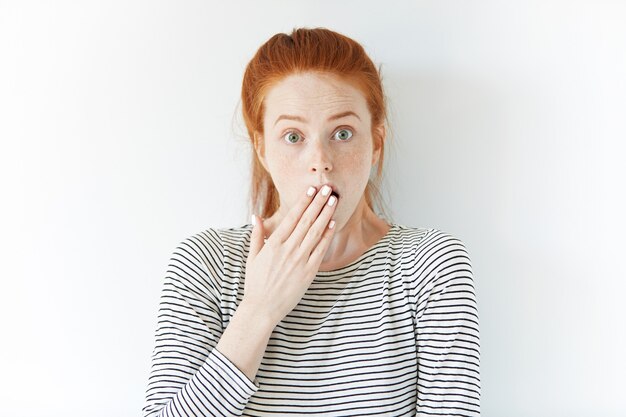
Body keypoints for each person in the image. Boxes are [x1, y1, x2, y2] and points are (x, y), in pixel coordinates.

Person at [142, 27, 480, 417]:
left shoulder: (431, 266)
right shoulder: (205, 263)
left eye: (342, 132)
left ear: (376, 143)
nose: (320, 160)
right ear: (262, 148)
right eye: (292, 136)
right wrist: (259, 309)